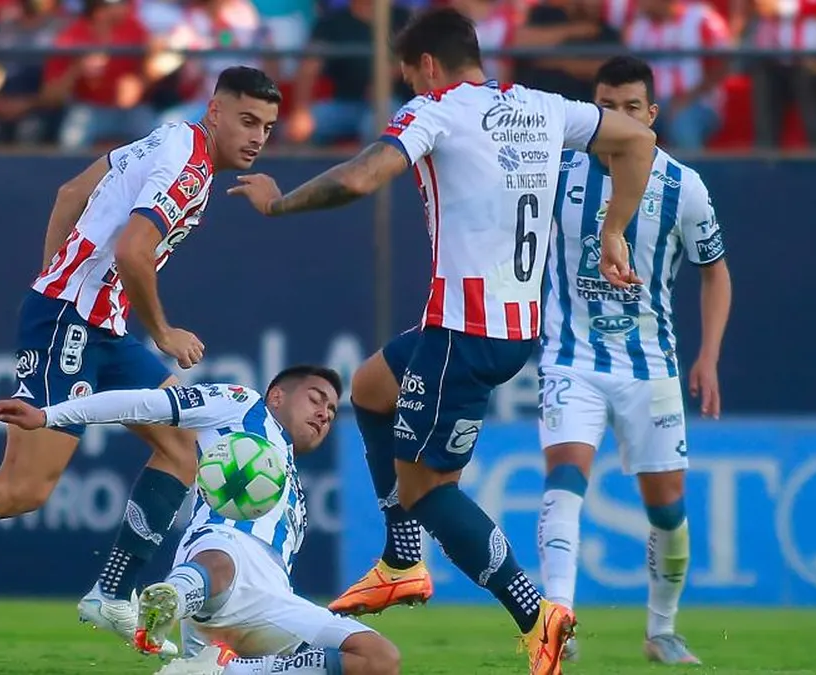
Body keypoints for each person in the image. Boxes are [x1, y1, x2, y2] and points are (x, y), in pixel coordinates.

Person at [228, 8, 656, 674]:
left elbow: (362, 176)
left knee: (428, 488)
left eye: (410, 79)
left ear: (427, 67)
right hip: (508, 327)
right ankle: (401, 560)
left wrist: (280, 204)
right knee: (370, 388)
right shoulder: (542, 107)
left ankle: (536, 614)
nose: (412, 91)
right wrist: (613, 228)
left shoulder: (439, 110)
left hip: (466, 332)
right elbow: (637, 141)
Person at [0, 66, 282, 654]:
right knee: (24, 487)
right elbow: (132, 251)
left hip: (101, 325)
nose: (257, 137)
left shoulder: (167, 136)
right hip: (74, 323)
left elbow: (70, 194)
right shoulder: (189, 167)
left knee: (181, 447)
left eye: (269, 127)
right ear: (216, 112)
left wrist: (56, 277)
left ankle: (112, 593)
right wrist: (162, 330)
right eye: (247, 120)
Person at [0, 365, 402, 675]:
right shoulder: (242, 405)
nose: (325, 413)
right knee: (225, 553)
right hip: (219, 561)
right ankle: (174, 594)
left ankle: (222, 669)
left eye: (331, 409)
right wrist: (49, 415)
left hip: (274, 603)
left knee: (378, 659)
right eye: (316, 398)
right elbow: (143, 404)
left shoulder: (288, 477)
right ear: (277, 396)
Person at [535, 54, 731, 665]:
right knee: (565, 476)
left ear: (651, 115)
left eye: (628, 108)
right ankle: (555, 625)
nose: (614, 119)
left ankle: (661, 630)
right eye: (604, 107)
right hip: (570, 357)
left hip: (651, 365)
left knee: (667, 509)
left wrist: (708, 357)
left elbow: (715, 274)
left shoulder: (683, 185)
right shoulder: (554, 173)